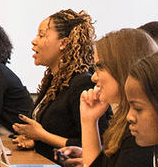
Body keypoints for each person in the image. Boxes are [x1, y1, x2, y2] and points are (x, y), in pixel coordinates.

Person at [58, 28, 158, 167]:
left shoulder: (143, 127)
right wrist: (89, 120)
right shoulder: (122, 119)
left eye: (99, 67)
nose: (94, 77)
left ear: (123, 68)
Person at [12, 9, 97, 159]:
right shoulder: (54, 79)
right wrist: (34, 140)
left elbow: (89, 144)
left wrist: (41, 136)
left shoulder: (82, 83)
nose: (34, 41)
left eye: (41, 35)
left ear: (63, 43)